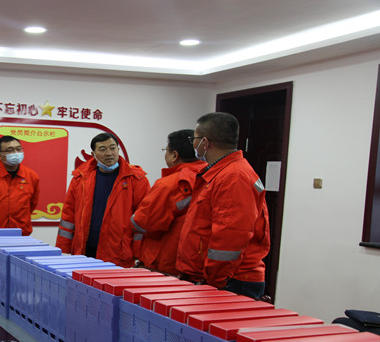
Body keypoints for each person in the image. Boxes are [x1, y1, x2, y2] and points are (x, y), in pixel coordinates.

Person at [176, 112, 270, 299]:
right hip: (220, 279)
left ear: (205, 142)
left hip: (231, 281)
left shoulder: (234, 176)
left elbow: (231, 236)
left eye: (194, 139)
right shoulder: (219, 173)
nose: (193, 145)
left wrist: (214, 280)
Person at [56, 132, 150, 268]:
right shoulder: (80, 178)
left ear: (118, 149)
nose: (109, 153)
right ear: (93, 154)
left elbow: (142, 218)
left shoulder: (136, 179)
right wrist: (63, 248)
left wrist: (139, 253)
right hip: (84, 250)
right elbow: (68, 215)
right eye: (102, 149)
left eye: (112, 148)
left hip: (118, 252)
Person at [131, 129, 207, 275]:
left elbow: (142, 222)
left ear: (174, 155)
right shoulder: (211, 177)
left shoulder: (169, 185)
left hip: (166, 262)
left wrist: (134, 217)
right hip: (199, 262)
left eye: (166, 150)